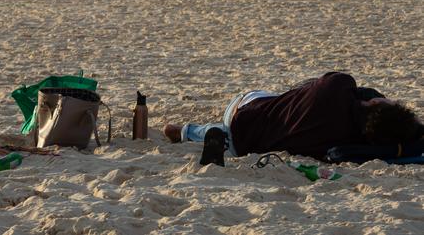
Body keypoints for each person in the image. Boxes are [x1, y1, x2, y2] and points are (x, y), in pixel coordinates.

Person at [163, 72, 423, 166]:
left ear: (376, 102)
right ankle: (190, 132)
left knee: (281, 101)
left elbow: (361, 91)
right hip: (246, 146)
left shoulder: (339, 84)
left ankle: (194, 131)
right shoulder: (351, 141)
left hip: (244, 108)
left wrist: (378, 99)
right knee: (239, 135)